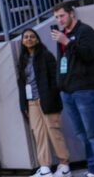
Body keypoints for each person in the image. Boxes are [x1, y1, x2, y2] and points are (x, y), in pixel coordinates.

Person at [51, 3, 94, 177]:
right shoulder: (64, 35)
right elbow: (63, 62)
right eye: (56, 17)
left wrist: (67, 42)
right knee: (82, 133)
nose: (59, 20)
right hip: (68, 90)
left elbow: (89, 54)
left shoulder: (85, 31)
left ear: (72, 14)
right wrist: (60, 85)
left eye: (62, 16)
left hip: (86, 88)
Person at [17, 29, 70, 177]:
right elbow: (22, 84)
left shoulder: (46, 56)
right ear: (22, 41)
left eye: (32, 36)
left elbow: (55, 78)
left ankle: (64, 165)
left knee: (54, 132)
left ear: (38, 40)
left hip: (47, 100)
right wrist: (24, 105)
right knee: (39, 135)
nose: (29, 39)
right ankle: (45, 168)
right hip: (31, 102)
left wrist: (52, 96)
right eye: (26, 37)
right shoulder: (22, 60)